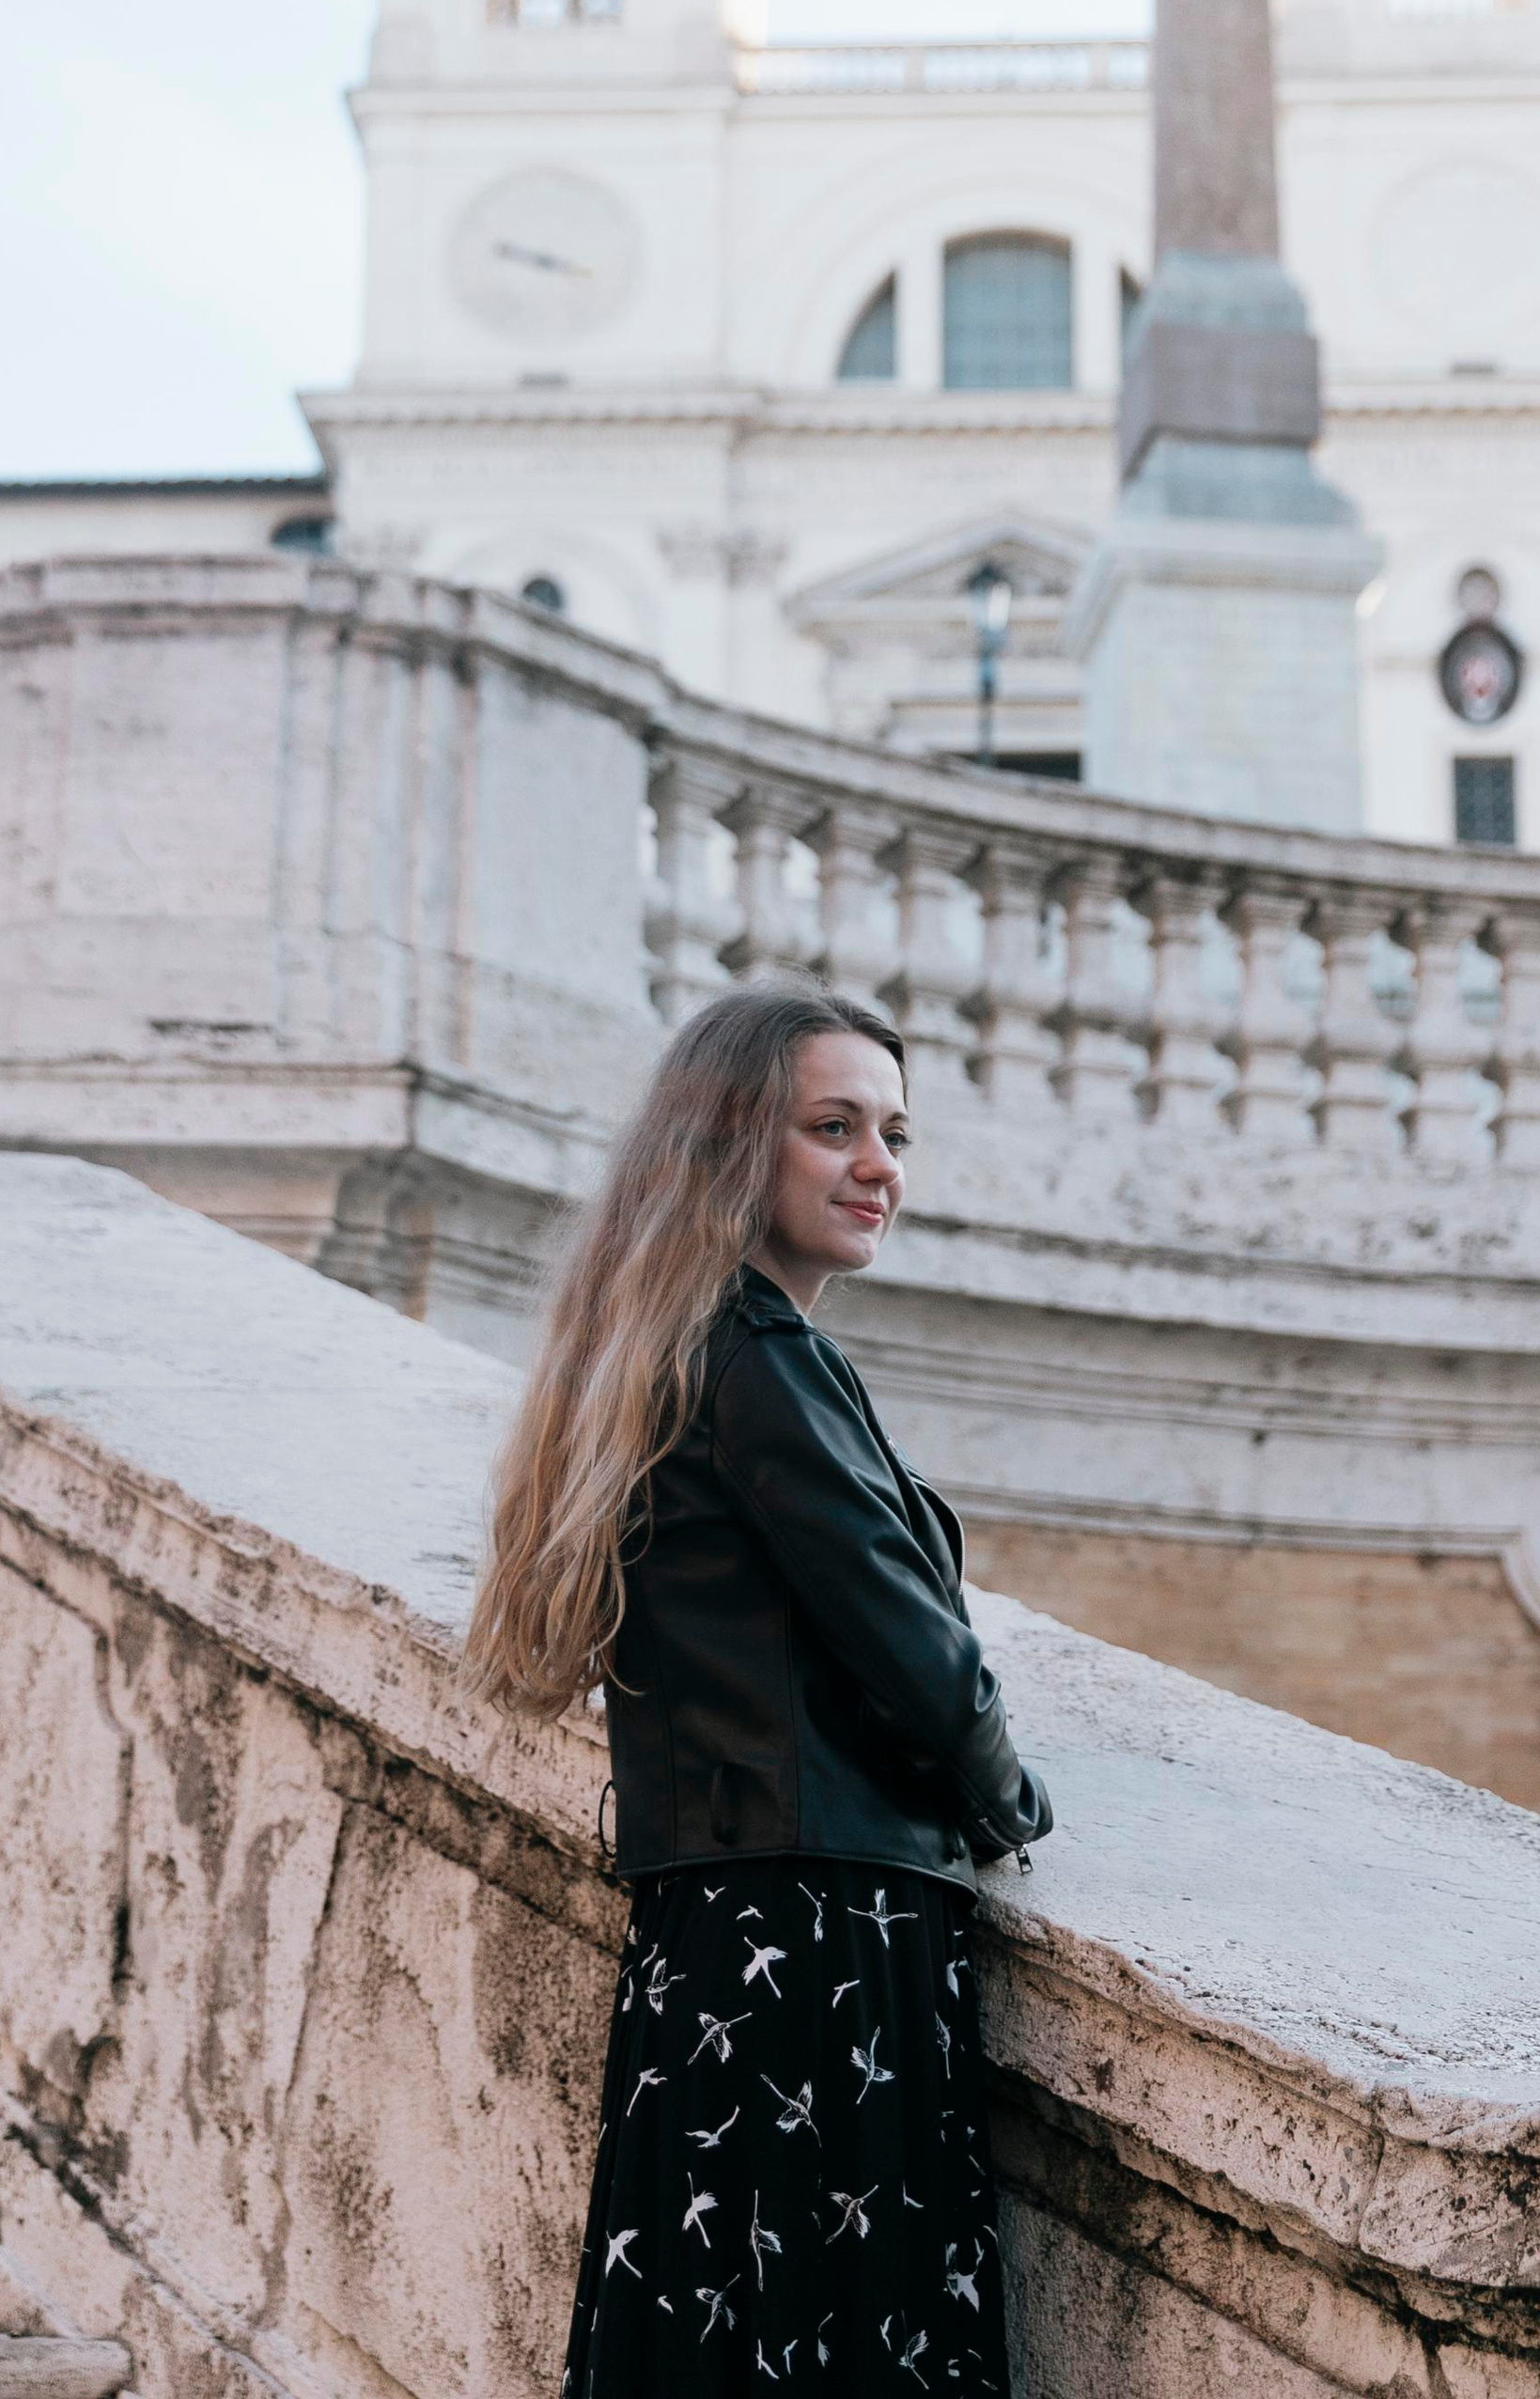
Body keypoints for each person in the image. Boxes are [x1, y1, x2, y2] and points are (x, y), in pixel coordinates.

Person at [465, 979, 1052, 2395]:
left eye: (894, 1134)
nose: (878, 1167)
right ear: (734, 1144)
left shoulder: (665, 1352)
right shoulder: (764, 1360)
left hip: (715, 1936)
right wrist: (1012, 1798)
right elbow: (914, 1647)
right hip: (827, 1938)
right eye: (833, 1127)